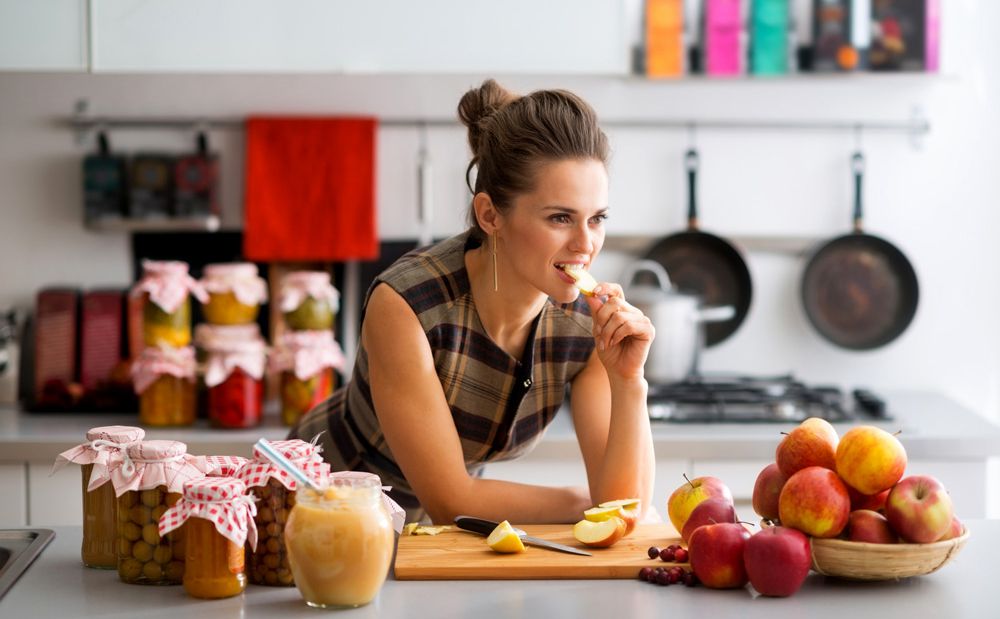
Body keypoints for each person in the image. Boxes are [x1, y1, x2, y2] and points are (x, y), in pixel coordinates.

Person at [289, 79, 655, 525]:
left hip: (448, 539)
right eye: (560, 218)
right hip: (319, 506)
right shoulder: (406, 304)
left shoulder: (588, 325)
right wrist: (584, 504)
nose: (586, 243)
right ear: (490, 215)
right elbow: (451, 499)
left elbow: (625, 506)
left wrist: (630, 381)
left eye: (596, 219)